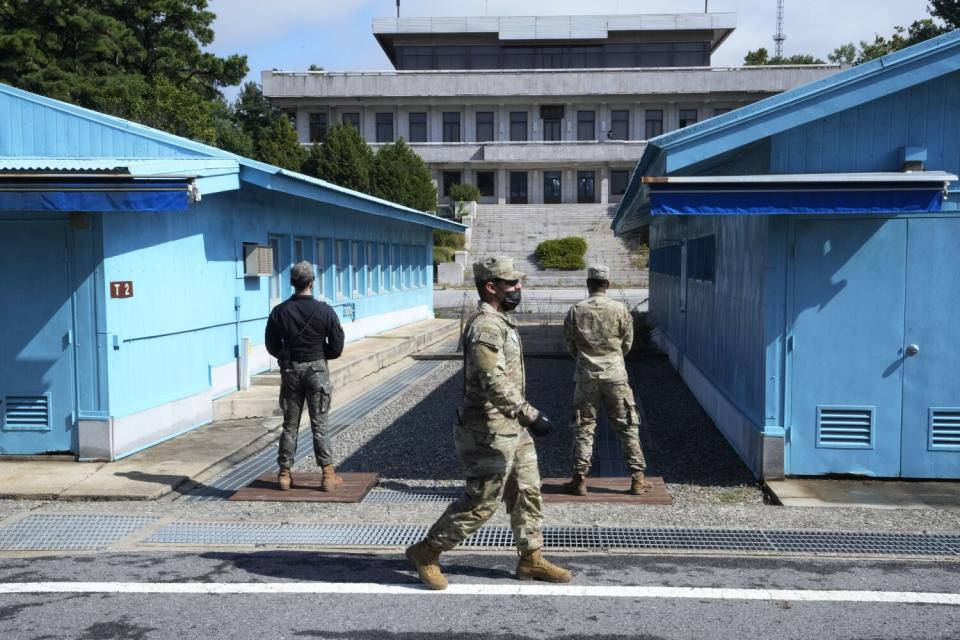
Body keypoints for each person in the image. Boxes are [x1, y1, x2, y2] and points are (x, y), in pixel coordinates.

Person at [405, 256, 572, 590]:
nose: (518, 288)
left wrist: (522, 420)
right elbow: (491, 379)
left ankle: (530, 558)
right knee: (481, 504)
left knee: (527, 492)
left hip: (511, 428)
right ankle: (426, 552)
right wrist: (530, 414)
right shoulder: (485, 326)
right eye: (511, 283)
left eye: (518, 282)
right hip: (486, 430)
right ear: (491, 287)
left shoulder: (499, 321)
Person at [562, 265, 651, 497]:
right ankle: (638, 479)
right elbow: (627, 344)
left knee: (584, 427)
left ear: (588, 284)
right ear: (608, 285)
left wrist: (585, 360)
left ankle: (580, 479)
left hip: (586, 377)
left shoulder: (576, 310)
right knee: (627, 426)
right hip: (615, 375)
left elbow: (571, 345)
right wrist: (613, 358)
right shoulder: (620, 310)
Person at [265, 261, 345, 492]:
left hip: (290, 370)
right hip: (317, 370)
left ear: (292, 283)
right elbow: (337, 346)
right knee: (320, 424)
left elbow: (271, 345)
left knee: (290, 425)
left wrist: (286, 356)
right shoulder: (325, 311)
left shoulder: (279, 312)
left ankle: (284, 474)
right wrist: (321, 355)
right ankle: (328, 475)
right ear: (312, 282)